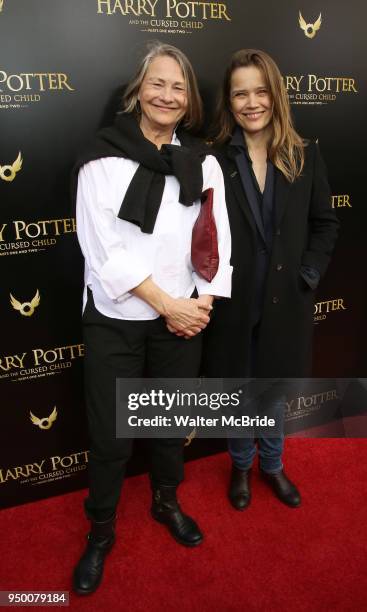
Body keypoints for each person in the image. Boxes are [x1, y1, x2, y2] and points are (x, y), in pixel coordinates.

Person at [73, 42, 232, 595]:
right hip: (117, 316)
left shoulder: (204, 162)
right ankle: (100, 531)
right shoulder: (101, 157)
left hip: (182, 321)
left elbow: (217, 240)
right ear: (139, 90)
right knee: (112, 436)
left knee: (168, 430)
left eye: (178, 87)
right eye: (157, 84)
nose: (167, 95)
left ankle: (167, 502)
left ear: (188, 101)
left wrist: (200, 306)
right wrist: (169, 305)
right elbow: (101, 250)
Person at [203, 49, 339, 510]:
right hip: (235, 305)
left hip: (287, 302)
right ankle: (241, 466)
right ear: (230, 102)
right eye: (240, 93)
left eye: (261, 90)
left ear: (276, 95)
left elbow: (326, 223)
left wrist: (309, 273)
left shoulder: (305, 155)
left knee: (274, 393)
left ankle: (273, 465)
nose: (252, 102)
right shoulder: (213, 161)